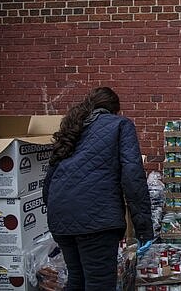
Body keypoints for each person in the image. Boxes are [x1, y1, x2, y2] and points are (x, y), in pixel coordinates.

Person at [42, 86, 154, 291]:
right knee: (99, 283)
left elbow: (49, 180)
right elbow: (133, 178)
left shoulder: (72, 127)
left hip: (61, 217)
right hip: (96, 220)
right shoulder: (121, 125)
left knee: (76, 280)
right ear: (115, 110)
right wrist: (144, 228)